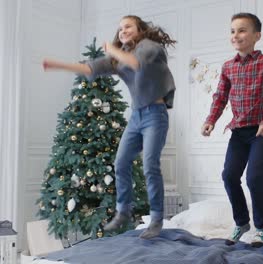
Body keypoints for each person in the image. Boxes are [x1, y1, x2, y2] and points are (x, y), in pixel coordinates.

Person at [43, 15, 176, 239]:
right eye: (120, 28)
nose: (122, 31)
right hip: (136, 116)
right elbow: (89, 68)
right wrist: (56, 65)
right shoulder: (119, 57)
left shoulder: (150, 48)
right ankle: (123, 211)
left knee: (150, 165)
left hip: (155, 115)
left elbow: (137, 64)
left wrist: (112, 49)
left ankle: (156, 219)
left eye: (128, 27)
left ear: (140, 29)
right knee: (120, 162)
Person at [201, 12, 263, 248]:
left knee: (253, 177)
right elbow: (220, 96)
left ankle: (261, 228)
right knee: (229, 176)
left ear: (256, 35)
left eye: (242, 30)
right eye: (232, 31)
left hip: (262, 131)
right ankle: (241, 223)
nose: (236, 35)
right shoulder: (228, 67)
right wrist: (211, 119)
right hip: (238, 131)